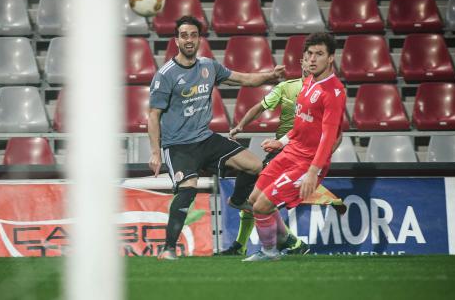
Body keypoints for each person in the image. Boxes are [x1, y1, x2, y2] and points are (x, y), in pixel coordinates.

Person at [148, 15, 285, 260]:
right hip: (178, 145)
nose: (189, 40)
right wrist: (156, 152)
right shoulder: (165, 75)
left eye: (193, 35)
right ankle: (168, 249)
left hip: (206, 139)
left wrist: (270, 76)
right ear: (176, 40)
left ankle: (238, 200)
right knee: (188, 190)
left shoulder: (209, 67)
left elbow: (244, 79)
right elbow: (153, 115)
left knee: (254, 165)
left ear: (199, 39)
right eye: (184, 35)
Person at [243, 32, 347, 261]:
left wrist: (313, 171)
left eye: (319, 54)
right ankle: (288, 242)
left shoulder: (334, 92)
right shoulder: (309, 81)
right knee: (254, 199)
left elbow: (330, 136)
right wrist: (280, 142)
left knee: (261, 206)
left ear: (331, 58)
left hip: (307, 163)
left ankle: (269, 252)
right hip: (290, 152)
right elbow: (301, 125)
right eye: (309, 54)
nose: (312, 59)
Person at [219, 55, 313, 256]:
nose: (311, 62)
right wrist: (240, 126)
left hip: (299, 152)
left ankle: (292, 243)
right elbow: (259, 107)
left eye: (316, 57)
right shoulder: (287, 88)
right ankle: (241, 246)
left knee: (259, 198)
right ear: (301, 63)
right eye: (306, 58)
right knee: (253, 194)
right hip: (281, 151)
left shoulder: (322, 93)